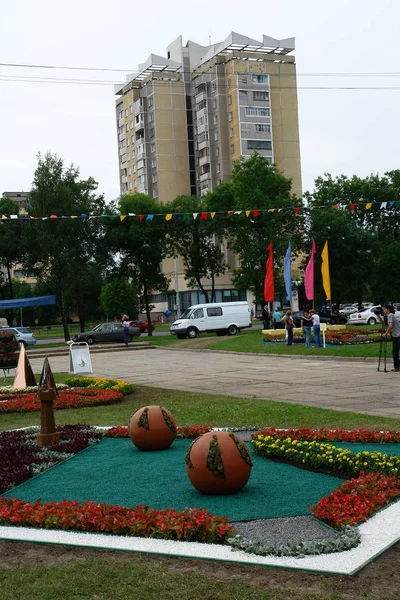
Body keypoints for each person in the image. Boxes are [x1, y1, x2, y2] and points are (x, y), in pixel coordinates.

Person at [379, 305, 400, 372]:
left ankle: (397, 367)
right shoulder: (387, 316)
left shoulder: (390, 315)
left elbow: (390, 326)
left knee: (395, 352)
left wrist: (385, 333)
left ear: (388, 310)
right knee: (394, 352)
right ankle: (396, 367)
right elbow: (383, 323)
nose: (383, 310)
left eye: (384, 309)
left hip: (399, 336)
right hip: (395, 336)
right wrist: (377, 315)